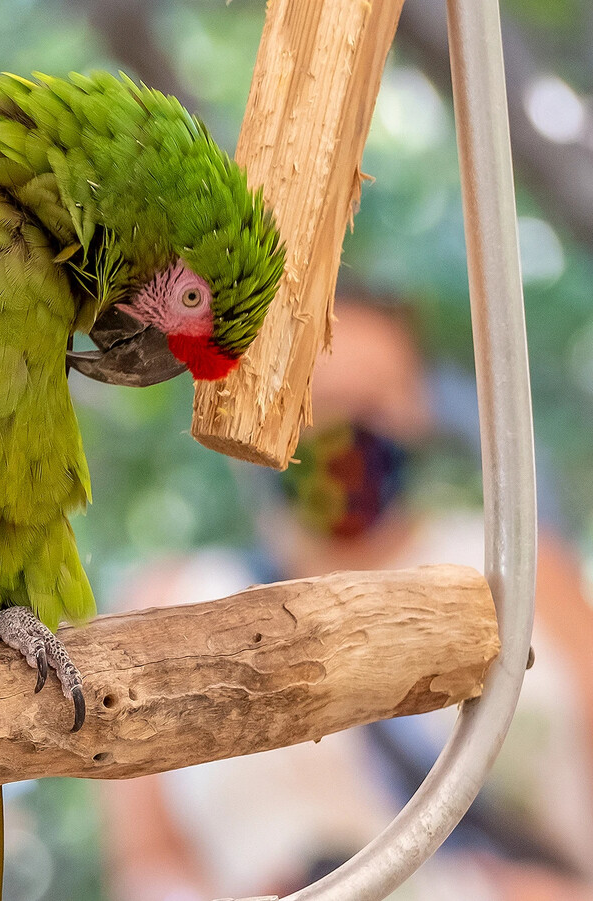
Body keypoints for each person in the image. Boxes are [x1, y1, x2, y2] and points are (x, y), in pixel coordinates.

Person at [100, 299, 593, 901]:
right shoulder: (169, 606)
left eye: (378, 402)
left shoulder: (526, 571)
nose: (349, 434)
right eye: (320, 404)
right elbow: (147, 866)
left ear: (422, 406)